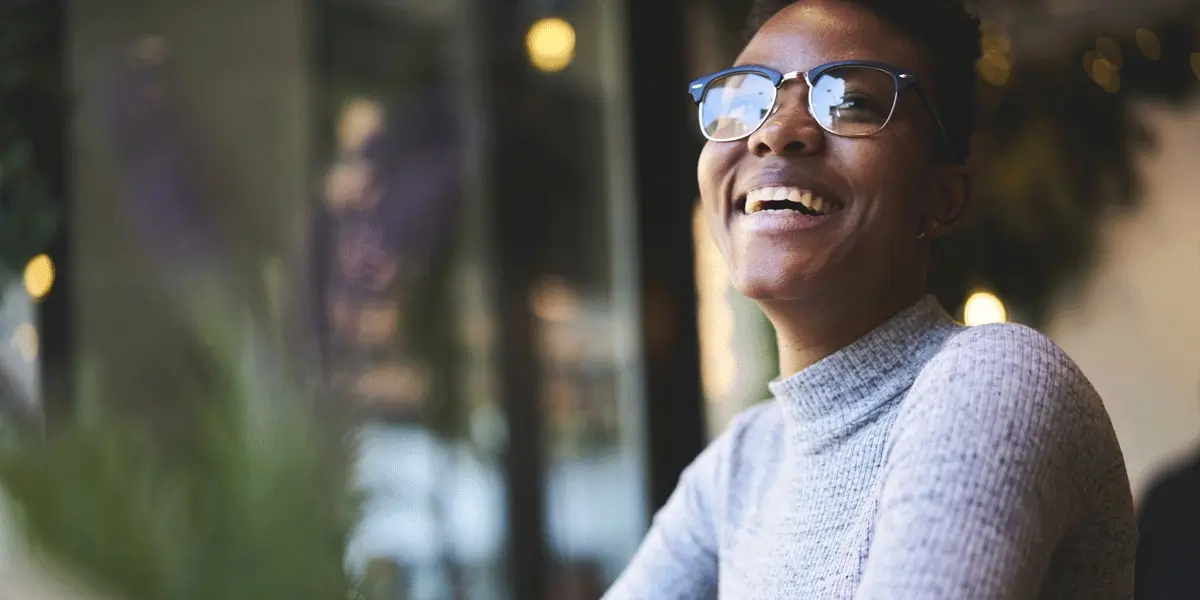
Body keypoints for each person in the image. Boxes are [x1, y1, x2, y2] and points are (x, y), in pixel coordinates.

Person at [603, 0, 1137, 598]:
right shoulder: (741, 466)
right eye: (744, 98)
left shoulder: (992, 377)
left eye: (850, 101)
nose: (777, 130)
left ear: (943, 197)